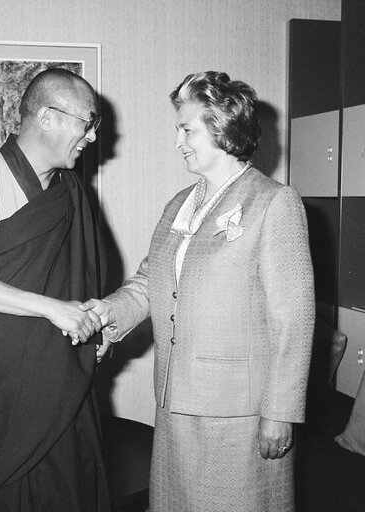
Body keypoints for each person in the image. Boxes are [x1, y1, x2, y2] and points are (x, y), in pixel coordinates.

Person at [82, 71, 315, 511]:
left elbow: (293, 318)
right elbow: (151, 281)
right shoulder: (179, 203)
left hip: (239, 412)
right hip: (176, 401)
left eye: (186, 129)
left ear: (223, 126)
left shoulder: (274, 202)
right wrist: (105, 315)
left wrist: (280, 412)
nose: (178, 141)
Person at [0, 68, 110, 512]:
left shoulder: (72, 192)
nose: (92, 137)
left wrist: (93, 325)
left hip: (61, 371)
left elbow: (86, 276)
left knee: (68, 486)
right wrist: (53, 309)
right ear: (48, 117)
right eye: (88, 123)